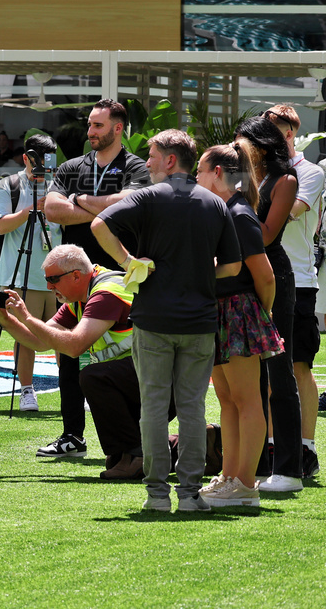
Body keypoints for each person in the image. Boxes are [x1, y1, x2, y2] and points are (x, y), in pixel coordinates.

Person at [92, 129, 240, 513]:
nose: (148, 161)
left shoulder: (146, 196)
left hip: (154, 319)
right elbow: (234, 265)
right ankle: (190, 495)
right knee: (192, 408)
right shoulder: (215, 204)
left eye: (154, 155)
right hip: (198, 322)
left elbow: (98, 226)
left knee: (154, 407)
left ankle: (157, 495)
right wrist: (203, 273)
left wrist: (128, 263)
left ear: (171, 160)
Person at [41, 99, 149, 460]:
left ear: (118, 128)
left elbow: (131, 203)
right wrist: (104, 206)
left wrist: (79, 200)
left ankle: (134, 436)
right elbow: (51, 209)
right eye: (90, 124)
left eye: (98, 126)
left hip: (121, 280)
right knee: (68, 353)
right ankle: (72, 435)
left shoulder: (135, 166)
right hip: (76, 280)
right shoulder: (73, 165)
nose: (90, 132)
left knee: (127, 359)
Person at [0, 245, 146, 480]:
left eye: (53, 279)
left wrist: (28, 317)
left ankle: (136, 454)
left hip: (161, 380)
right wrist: (7, 320)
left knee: (92, 375)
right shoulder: (82, 296)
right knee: (114, 454)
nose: (49, 287)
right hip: (143, 376)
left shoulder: (105, 293)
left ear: (76, 276)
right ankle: (201, 441)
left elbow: (74, 345)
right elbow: (40, 342)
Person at [195, 142, 280, 507]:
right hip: (221, 312)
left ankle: (246, 484)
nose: (194, 177)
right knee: (227, 400)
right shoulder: (222, 210)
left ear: (217, 173)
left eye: (199, 171)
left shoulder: (240, 214)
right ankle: (229, 476)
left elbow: (266, 276)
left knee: (246, 401)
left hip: (239, 312)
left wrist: (261, 314)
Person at [235, 115, 304, 491]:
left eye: (240, 141)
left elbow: (264, 233)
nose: (235, 148)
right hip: (241, 276)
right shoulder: (240, 178)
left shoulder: (285, 180)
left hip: (272, 275)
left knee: (280, 374)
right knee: (250, 377)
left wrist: (230, 209)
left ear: (260, 145)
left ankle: (289, 469)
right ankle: (255, 465)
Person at [262, 105, 322, 480]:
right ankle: (269, 445)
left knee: (299, 366)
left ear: (289, 134)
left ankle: (306, 446)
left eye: (273, 132)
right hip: (262, 277)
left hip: (298, 279)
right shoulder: (260, 173)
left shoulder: (310, 172)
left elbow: (290, 212)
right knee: (265, 368)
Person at [0, 132, 60, 412]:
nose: (46, 167)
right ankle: (27, 391)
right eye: (40, 161)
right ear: (26, 159)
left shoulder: (57, 186)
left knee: (64, 334)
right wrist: (32, 210)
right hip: (20, 275)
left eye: (50, 161)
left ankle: (74, 388)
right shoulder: (10, 185)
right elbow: (1, 226)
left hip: (56, 276)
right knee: (25, 335)